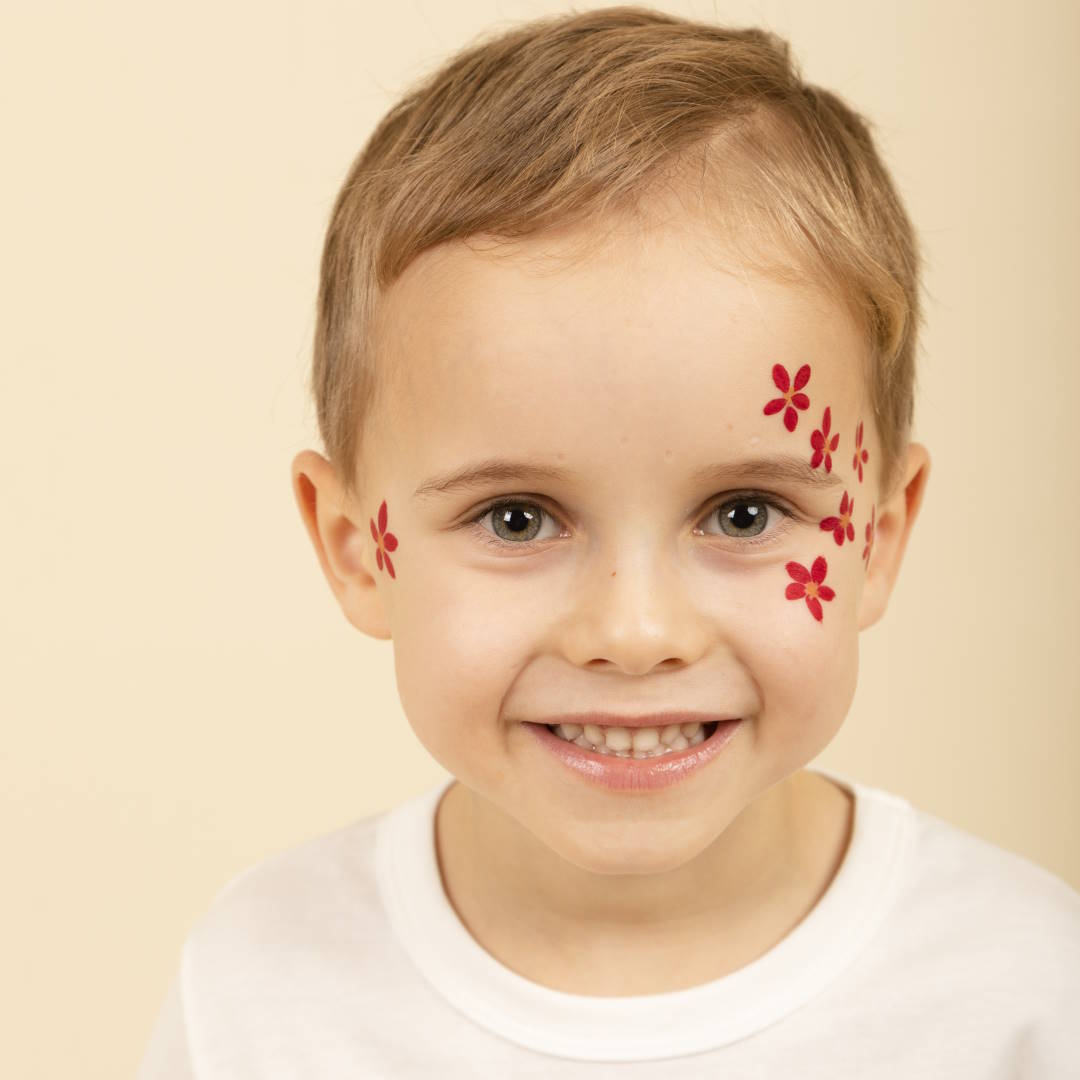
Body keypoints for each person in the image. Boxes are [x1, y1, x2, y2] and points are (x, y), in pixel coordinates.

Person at [137, 7, 1079, 1076]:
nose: (635, 635)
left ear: (879, 533)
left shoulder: (1027, 992)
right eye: (517, 518)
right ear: (358, 550)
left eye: (743, 514)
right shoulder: (260, 989)